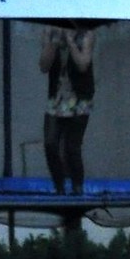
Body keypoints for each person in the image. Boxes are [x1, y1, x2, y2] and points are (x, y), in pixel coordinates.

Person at [39, 24, 97, 212]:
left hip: (79, 98)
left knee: (72, 146)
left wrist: (71, 42)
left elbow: (83, 64)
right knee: (50, 143)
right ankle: (59, 185)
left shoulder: (86, 34)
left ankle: (77, 186)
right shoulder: (50, 32)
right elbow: (44, 66)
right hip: (57, 97)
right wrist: (54, 43)